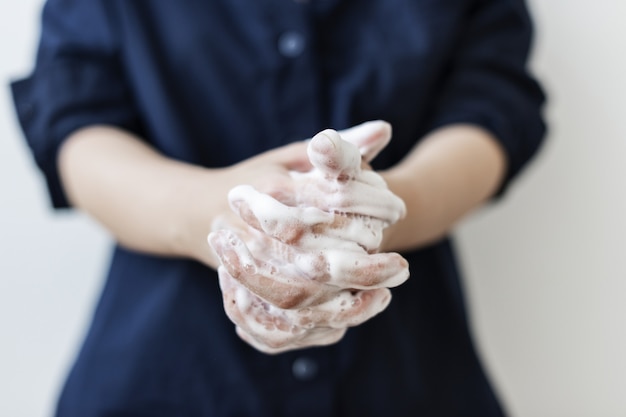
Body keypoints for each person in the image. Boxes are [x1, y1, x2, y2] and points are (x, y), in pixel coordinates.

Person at [11, 0, 546, 415]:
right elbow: (77, 128)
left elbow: (490, 112)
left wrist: (367, 212)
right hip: (167, 374)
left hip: (407, 375)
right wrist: (227, 219)